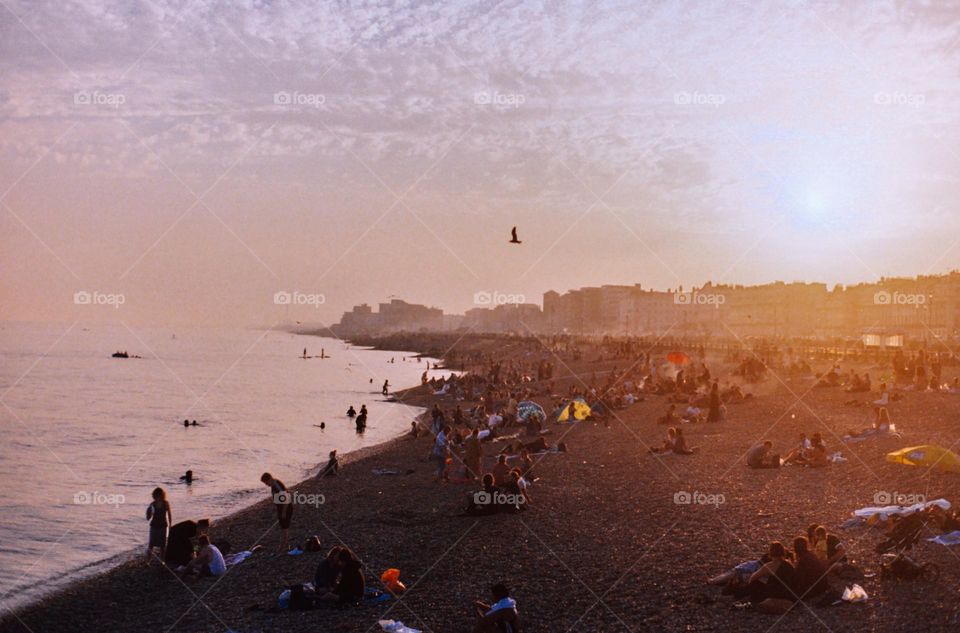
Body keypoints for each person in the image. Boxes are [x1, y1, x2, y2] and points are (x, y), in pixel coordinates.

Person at [747, 541, 796, 612]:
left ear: (770, 553)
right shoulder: (789, 564)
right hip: (789, 595)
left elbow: (752, 578)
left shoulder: (770, 565)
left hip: (776, 595)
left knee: (755, 583)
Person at [261, 472, 293, 552]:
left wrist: (283, 512)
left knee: (284, 528)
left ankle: (282, 548)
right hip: (281, 508)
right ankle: (285, 546)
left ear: (269, 479)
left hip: (286, 508)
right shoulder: (274, 485)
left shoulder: (276, 485)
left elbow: (286, 498)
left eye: (266, 482)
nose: (266, 484)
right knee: (283, 528)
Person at [145, 487, 172, 562]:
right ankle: (148, 560)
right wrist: (148, 512)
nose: (157, 497)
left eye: (159, 495)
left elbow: (169, 514)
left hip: (163, 526)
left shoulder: (165, 503)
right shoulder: (152, 504)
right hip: (154, 526)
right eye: (156, 496)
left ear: (162, 495)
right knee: (151, 544)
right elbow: (148, 517)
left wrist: (170, 525)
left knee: (162, 545)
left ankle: (162, 561)